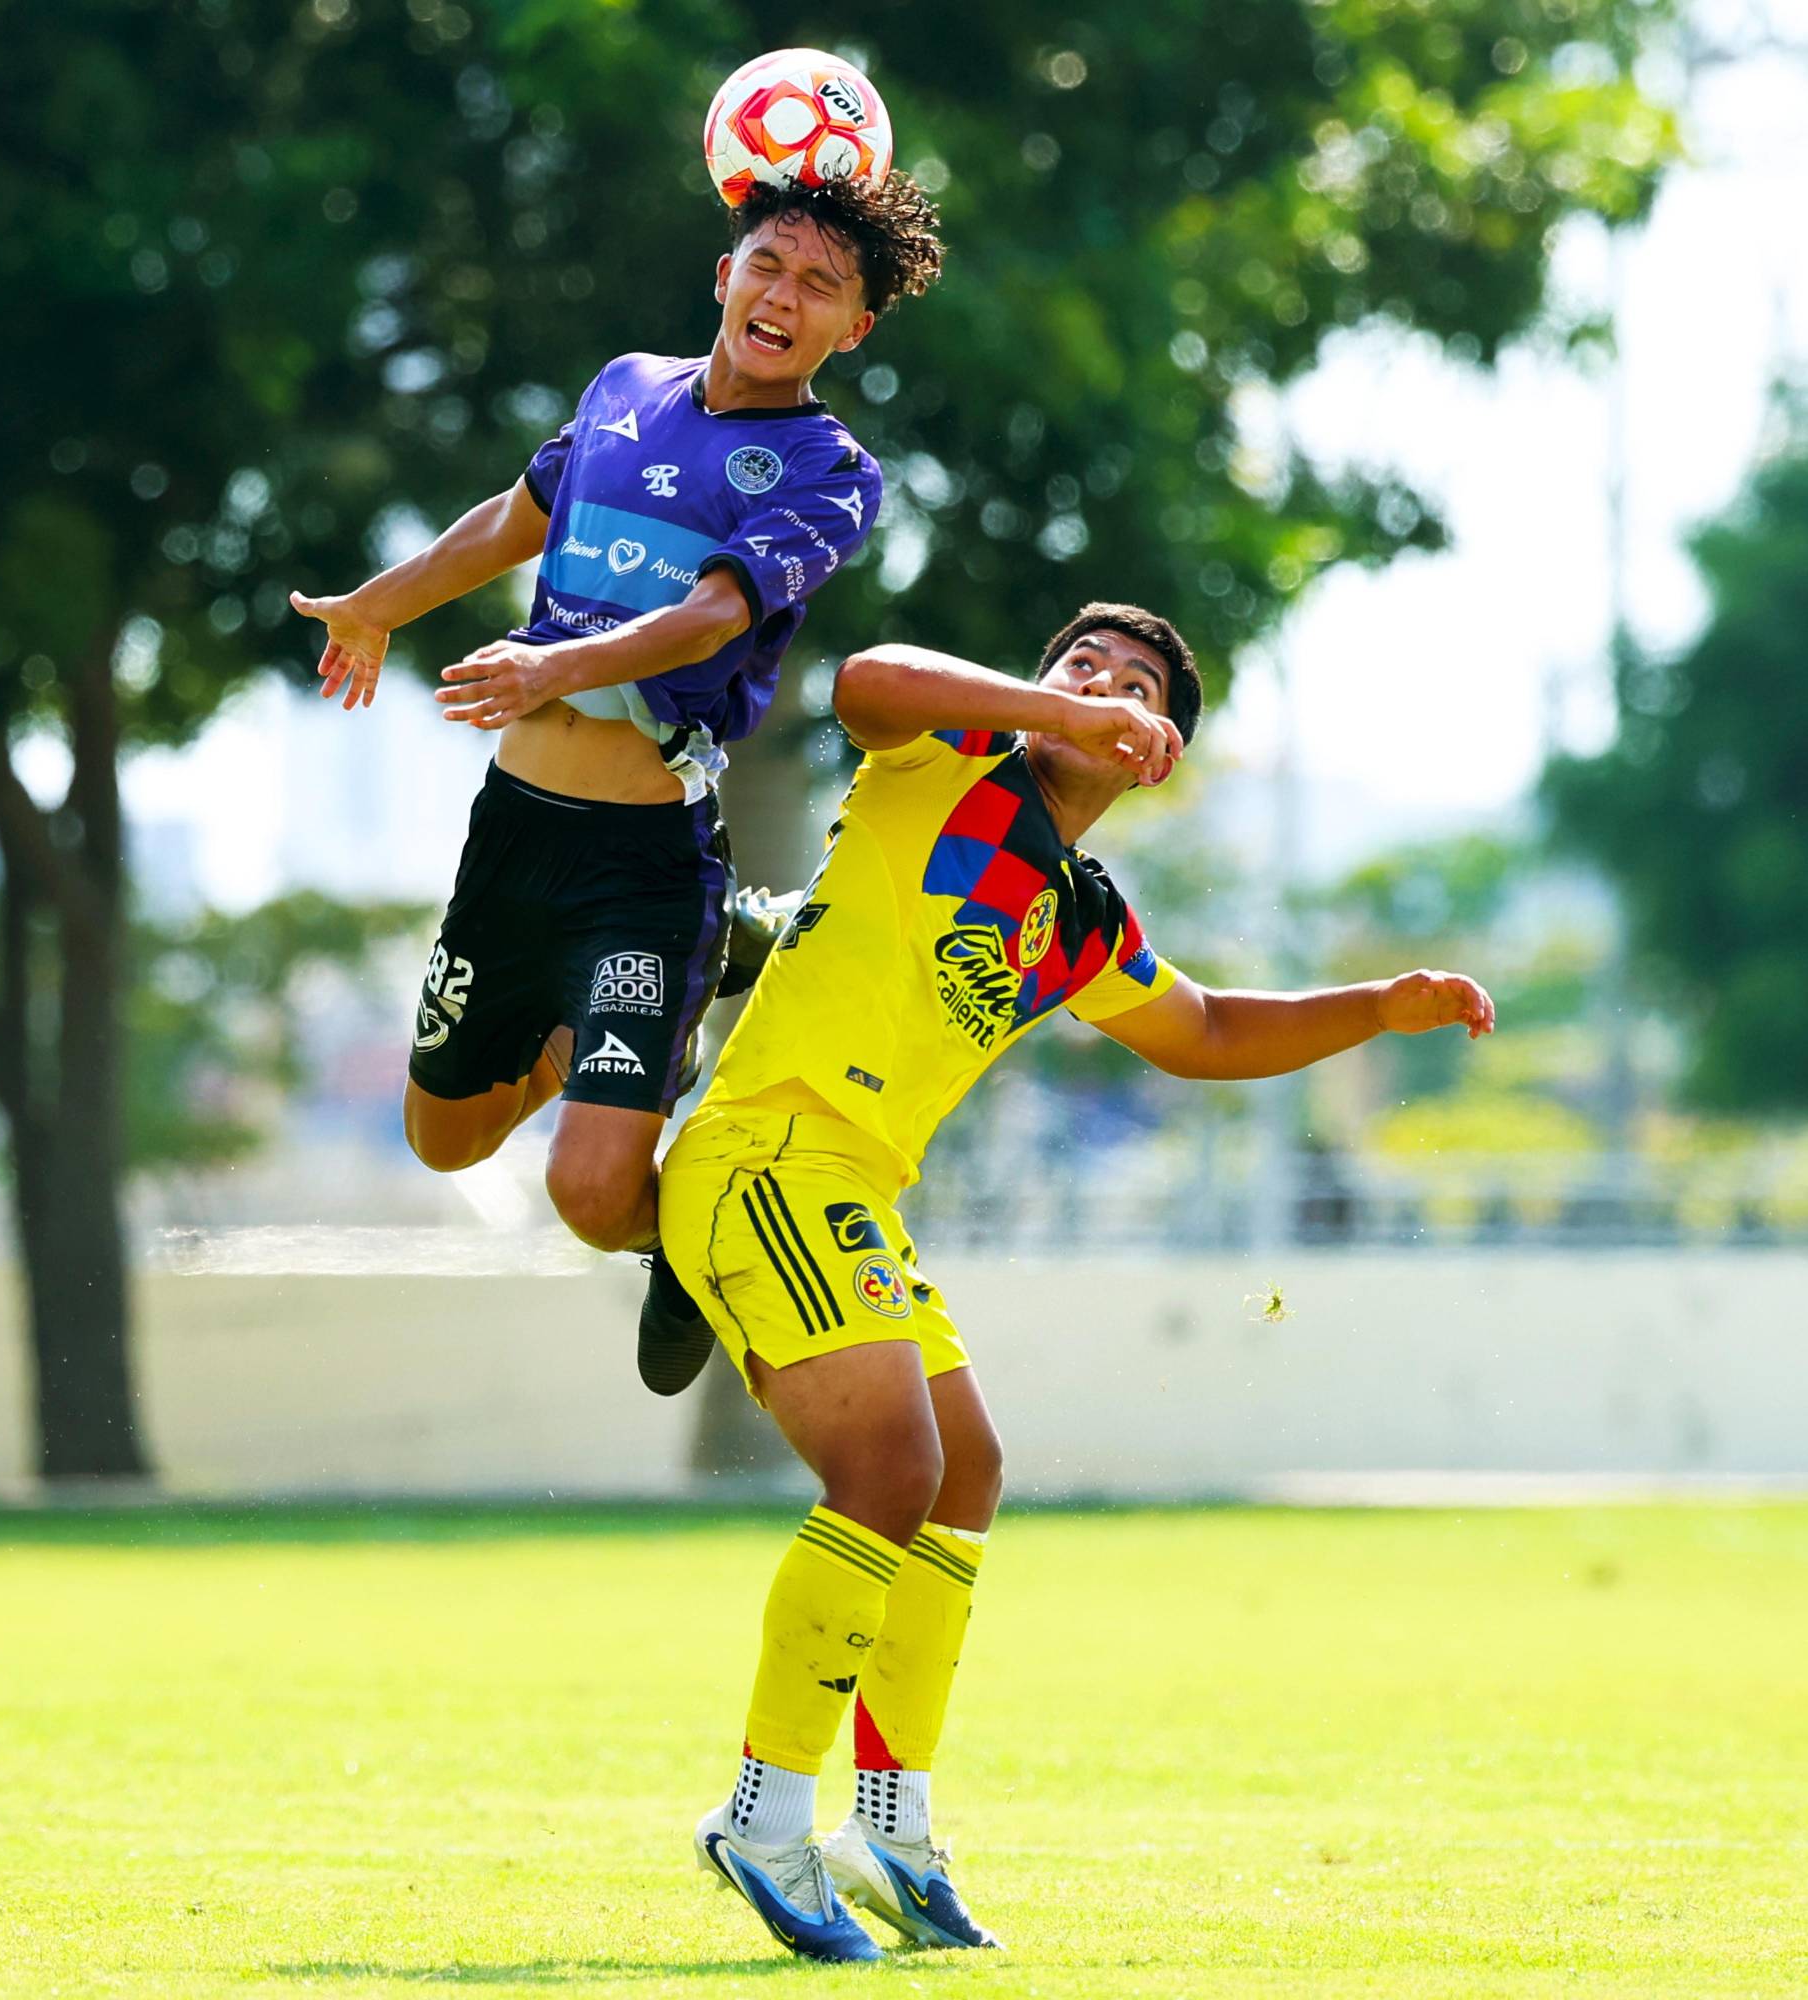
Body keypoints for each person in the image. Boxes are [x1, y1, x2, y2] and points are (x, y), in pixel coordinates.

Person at [652, 604, 1496, 1961]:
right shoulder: (949, 764)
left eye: (1134, 684)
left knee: (962, 1469)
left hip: (851, 1188)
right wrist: (1048, 713)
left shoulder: (1080, 918)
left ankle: (890, 1821)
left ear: (1158, 752)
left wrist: (1373, 1008)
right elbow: (869, 680)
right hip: (766, 1151)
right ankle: (761, 1817)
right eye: (1077, 665)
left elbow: (1207, 1028)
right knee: (889, 1470)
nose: (1096, 681)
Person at [290, 176, 942, 1259]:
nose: (784, 295)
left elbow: (710, 616)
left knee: (590, 1195)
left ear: (854, 324)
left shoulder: (831, 471)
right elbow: (514, 517)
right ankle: (594, 1021)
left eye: (821, 284)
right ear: (725, 273)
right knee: (442, 1139)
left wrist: (552, 668)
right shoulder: (623, 387)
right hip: (513, 833)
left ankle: (689, 1257)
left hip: (643, 861)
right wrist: (376, 606)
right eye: (769, 264)